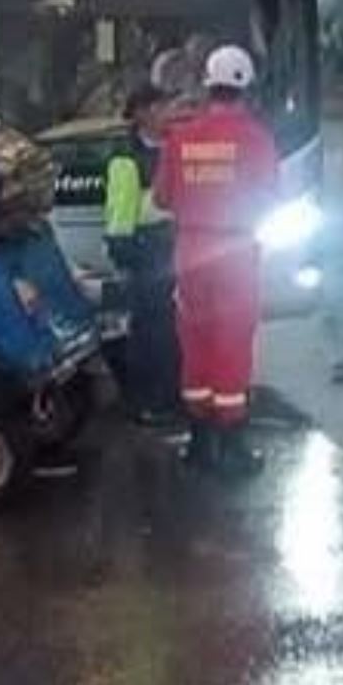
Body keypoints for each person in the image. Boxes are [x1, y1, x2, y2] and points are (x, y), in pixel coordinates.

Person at [153, 45, 279, 475]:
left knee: (196, 344)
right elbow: (269, 196)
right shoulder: (256, 138)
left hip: (189, 253)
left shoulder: (180, 137)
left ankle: (199, 442)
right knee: (232, 345)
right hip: (235, 253)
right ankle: (233, 447)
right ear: (245, 87)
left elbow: (162, 197)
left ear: (209, 85)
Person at [103, 84, 180, 428]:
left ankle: (170, 394)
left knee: (171, 328)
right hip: (145, 249)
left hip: (171, 245)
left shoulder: (171, 148)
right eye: (162, 107)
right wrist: (125, 251)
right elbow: (120, 210)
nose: (169, 113)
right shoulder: (127, 158)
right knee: (150, 330)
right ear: (144, 113)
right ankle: (149, 401)